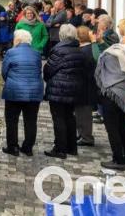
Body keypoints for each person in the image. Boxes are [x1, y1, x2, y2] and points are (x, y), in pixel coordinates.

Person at [95, 25, 125, 171]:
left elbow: (102, 72)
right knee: (124, 125)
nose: (122, 37)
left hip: (111, 93)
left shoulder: (114, 52)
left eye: (124, 35)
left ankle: (118, 159)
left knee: (113, 127)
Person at [43, 24, 86, 159]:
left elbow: (49, 70)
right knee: (70, 117)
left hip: (58, 89)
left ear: (61, 35)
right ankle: (72, 147)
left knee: (59, 118)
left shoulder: (58, 50)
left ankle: (60, 149)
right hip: (75, 88)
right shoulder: (79, 50)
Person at [0, 30, 43, 157]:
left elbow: (4, 71)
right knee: (31, 120)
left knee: (12, 120)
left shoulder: (11, 52)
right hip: (34, 91)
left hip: (14, 90)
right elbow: (38, 69)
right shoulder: (36, 53)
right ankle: (28, 147)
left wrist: (11, 81)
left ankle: (13, 147)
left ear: (17, 40)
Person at [75, 26, 98, 147]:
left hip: (85, 87)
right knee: (80, 113)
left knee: (84, 114)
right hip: (85, 86)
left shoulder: (85, 51)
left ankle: (86, 137)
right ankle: (82, 134)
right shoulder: (88, 48)